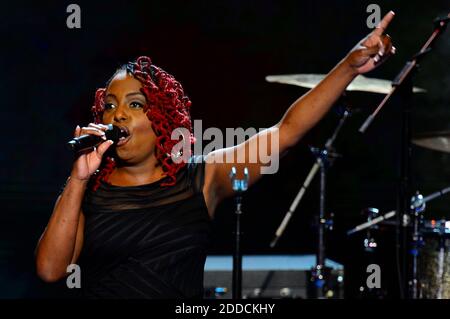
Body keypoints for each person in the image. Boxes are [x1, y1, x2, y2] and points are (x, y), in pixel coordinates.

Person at [35, 11, 396, 298]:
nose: (118, 115)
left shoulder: (204, 177)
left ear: (161, 117)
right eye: (110, 106)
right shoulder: (89, 188)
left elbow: (285, 133)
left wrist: (348, 67)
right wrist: (77, 180)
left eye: (134, 104)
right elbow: (51, 270)